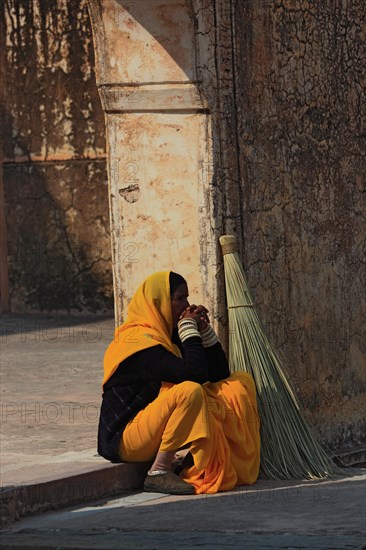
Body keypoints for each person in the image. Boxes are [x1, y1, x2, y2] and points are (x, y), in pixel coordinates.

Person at [97, 271, 260, 495]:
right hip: (125, 440)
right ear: (159, 302)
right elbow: (193, 375)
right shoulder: (137, 344)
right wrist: (188, 331)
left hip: (151, 431)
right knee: (190, 391)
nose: (186, 305)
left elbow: (218, 375)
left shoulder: (166, 337)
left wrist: (204, 331)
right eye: (179, 299)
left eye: (187, 298)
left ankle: (198, 458)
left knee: (237, 383)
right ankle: (159, 472)